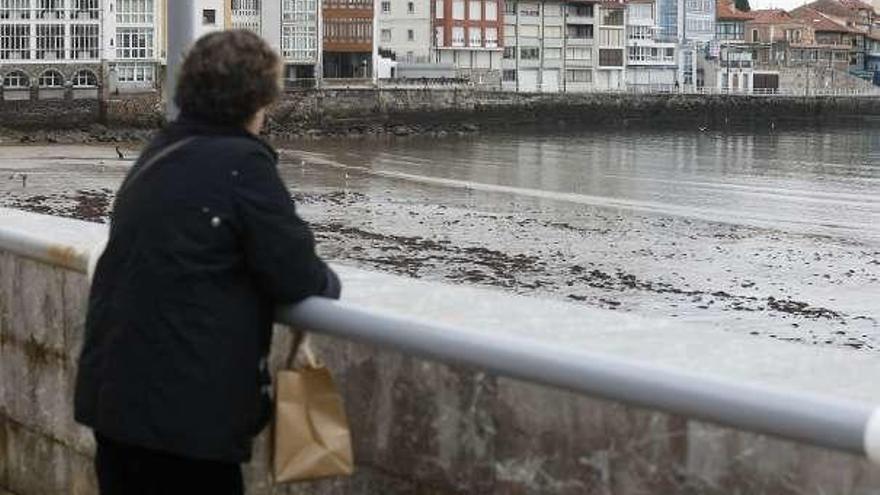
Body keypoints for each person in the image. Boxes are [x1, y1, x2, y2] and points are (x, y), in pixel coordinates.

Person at [74, 30, 341, 495]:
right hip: (186, 420)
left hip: (116, 404)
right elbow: (299, 276)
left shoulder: (158, 153)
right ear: (259, 99)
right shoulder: (243, 165)